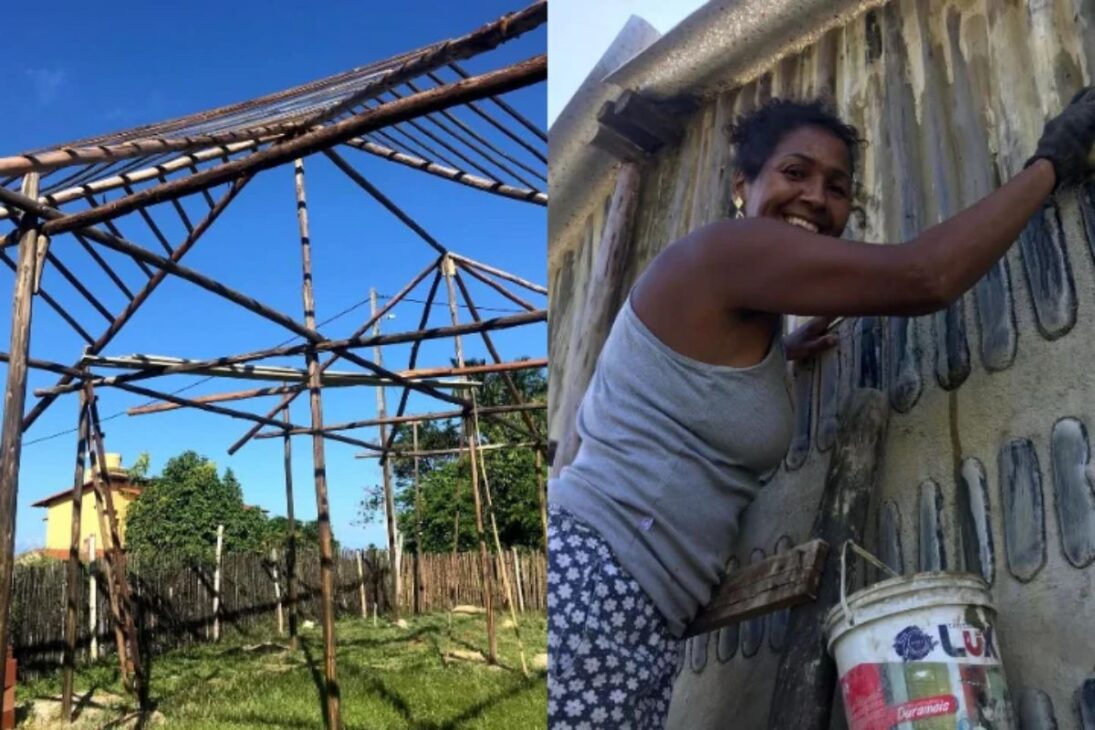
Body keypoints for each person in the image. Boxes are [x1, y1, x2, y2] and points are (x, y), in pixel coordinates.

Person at [547, 90, 1095, 729]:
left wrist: (781, 354)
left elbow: (687, 393)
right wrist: (1051, 161)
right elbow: (925, 277)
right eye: (795, 172)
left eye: (837, 187)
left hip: (630, 600)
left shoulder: (743, 305)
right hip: (600, 587)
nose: (815, 197)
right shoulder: (723, 252)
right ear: (741, 185)